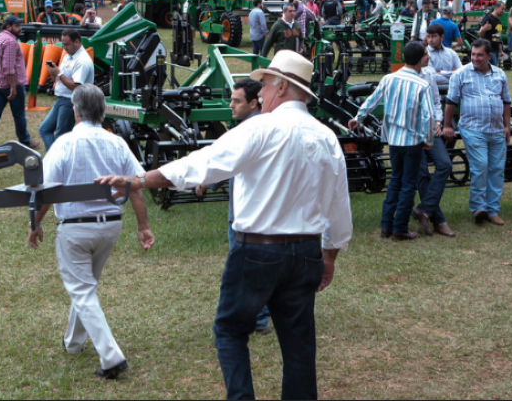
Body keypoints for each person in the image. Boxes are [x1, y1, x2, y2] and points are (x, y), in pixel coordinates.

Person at [96, 50, 352, 400]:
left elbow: (204, 163)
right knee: (299, 344)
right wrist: (330, 255)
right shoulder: (326, 136)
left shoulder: (261, 127)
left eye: (263, 85)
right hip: (306, 251)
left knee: (230, 330)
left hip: (258, 250)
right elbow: (339, 205)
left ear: (280, 86)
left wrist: (141, 180)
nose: (259, 93)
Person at [28, 84, 154, 380]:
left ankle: (111, 357)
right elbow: (134, 186)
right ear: (103, 111)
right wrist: (143, 226)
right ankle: (73, 343)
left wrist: (35, 223)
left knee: (83, 290)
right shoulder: (118, 143)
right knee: (86, 286)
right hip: (110, 226)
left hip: (74, 229)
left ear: (75, 111)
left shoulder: (64, 143)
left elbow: (44, 191)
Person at [195, 79, 271, 334]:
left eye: (237, 101)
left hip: (242, 214)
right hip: (267, 212)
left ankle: (257, 319)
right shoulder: (269, 128)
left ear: (253, 103)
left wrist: (205, 181)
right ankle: (263, 315)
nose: (231, 105)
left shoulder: (243, 133)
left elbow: (224, 163)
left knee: (243, 267)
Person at [349, 41, 436, 240]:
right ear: (419, 59)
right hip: (413, 141)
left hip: (393, 141)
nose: (429, 56)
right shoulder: (423, 84)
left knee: (395, 181)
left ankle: (386, 226)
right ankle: (400, 228)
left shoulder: (389, 79)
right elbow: (429, 117)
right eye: (426, 54)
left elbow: (372, 100)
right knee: (408, 185)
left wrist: (358, 118)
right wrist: (428, 138)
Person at [443, 39, 512, 225]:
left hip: (497, 129)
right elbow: (451, 102)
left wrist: (507, 126)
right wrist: (447, 125)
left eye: (480, 55)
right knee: (480, 165)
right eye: (473, 54)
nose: (475, 58)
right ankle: (478, 208)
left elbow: (506, 101)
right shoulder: (461, 74)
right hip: (473, 129)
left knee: (497, 170)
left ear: (490, 56)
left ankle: (493, 210)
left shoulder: (499, 75)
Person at [0, 15, 41, 150]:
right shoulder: (10, 42)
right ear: (8, 26)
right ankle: (25, 141)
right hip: (11, 84)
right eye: (17, 26)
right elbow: (8, 67)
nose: (20, 29)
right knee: (19, 115)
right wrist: (13, 86)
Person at [415, 48, 455, 237]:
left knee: (445, 165)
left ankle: (424, 209)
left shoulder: (429, 74)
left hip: (432, 129)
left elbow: (436, 102)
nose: (429, 56)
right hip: (413, 134)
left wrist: (438, 121)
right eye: (425, 54)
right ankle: (438, 220)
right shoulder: (401, 77)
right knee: (421, 172)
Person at [40, 30, 95, 150]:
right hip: (61, 99)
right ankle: (54, 158)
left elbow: (76, 87)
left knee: (61, 137)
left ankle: (58, 162)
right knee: (44, 129)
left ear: (76, 42)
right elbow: (59, 80)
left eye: (67, 44)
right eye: (63, 44)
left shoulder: (82, 61)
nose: (64, 48)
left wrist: (59, 74)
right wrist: (53, 73)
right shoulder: (68, 57)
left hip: (71, 101)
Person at [478, 2, 505, 66]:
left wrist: (500, 51)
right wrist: (484, 28)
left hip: (496, 51)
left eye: (504, 9)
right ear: (496, 7)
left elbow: (497, 38)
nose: (503, 11)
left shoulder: (499, 22)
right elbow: (480, 34)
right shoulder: (488, 19)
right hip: (489, 51)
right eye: (502, 9)